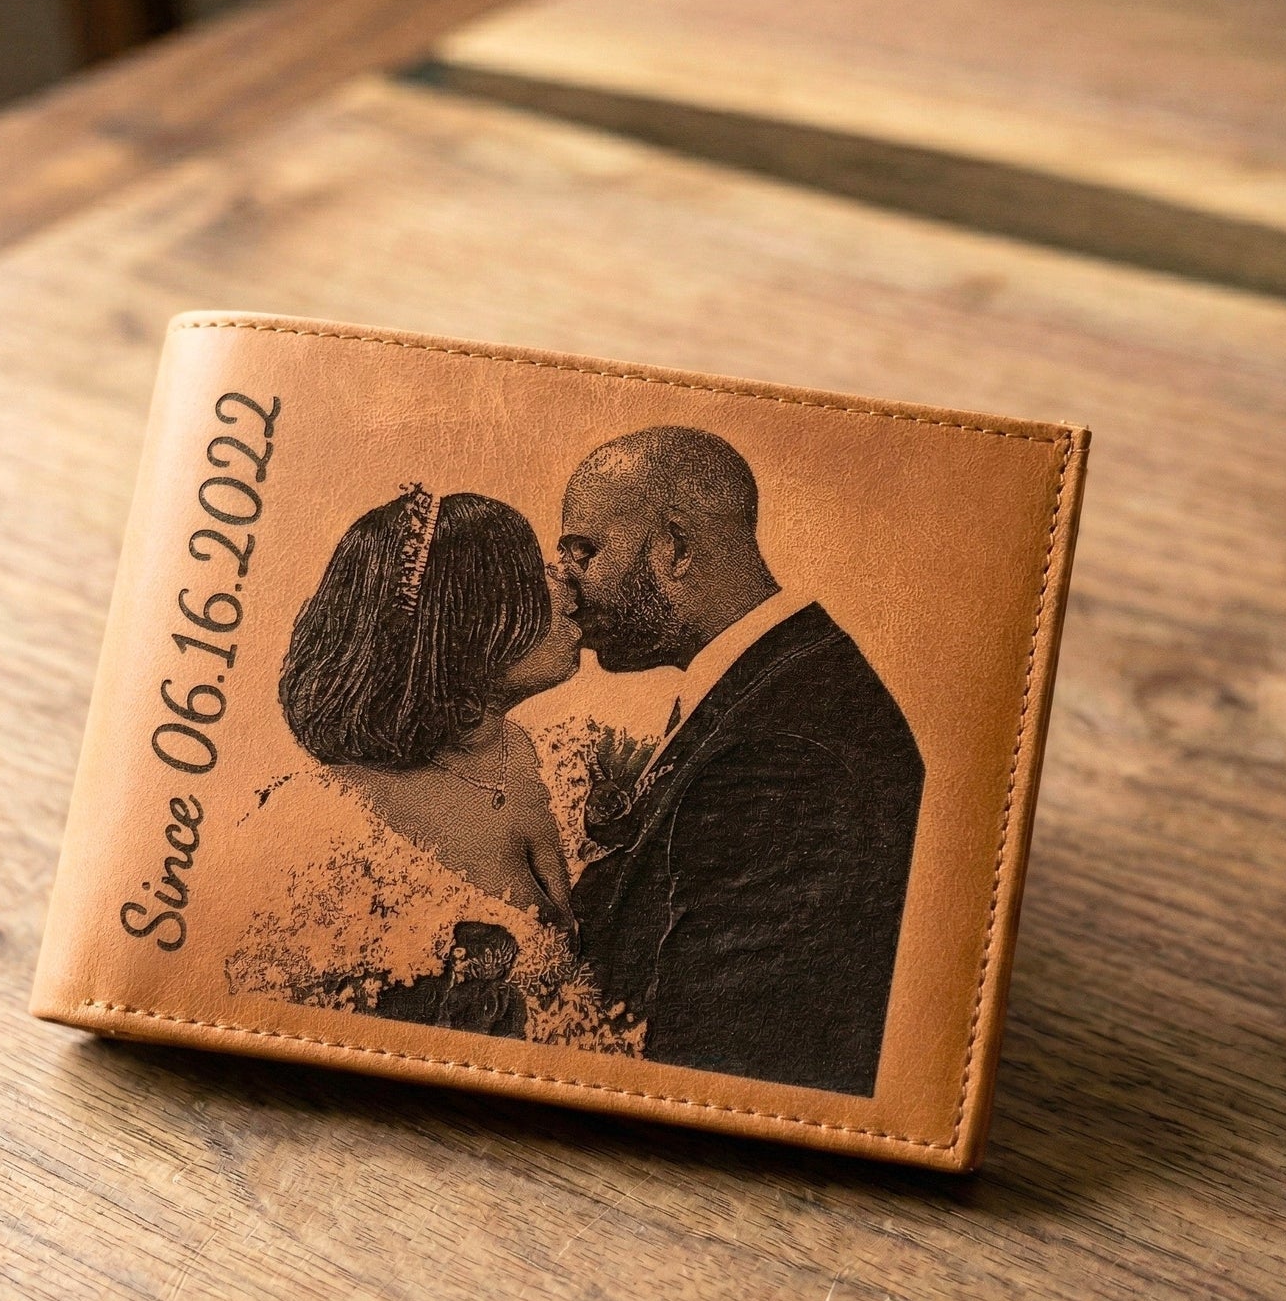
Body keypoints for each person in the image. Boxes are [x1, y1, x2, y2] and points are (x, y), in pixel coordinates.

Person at [559, 426, 924, 1096]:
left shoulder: (782, 750)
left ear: (676, 547)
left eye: (585, 551)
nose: (567, 584)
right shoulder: (781, 683)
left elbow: (721, 1057)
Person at [283, 484, 582, 936]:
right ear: (465, 631)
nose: (561, 578)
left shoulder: (514, 750)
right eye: (528, 574)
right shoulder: (344, 818)